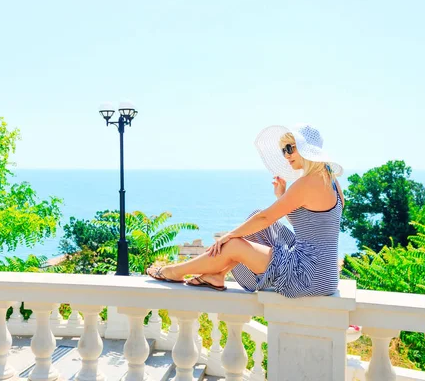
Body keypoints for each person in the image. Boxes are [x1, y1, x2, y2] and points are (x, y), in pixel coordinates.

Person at [146, 123, 345, 298]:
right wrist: (281, 196)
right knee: (254, 223)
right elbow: (313, 225)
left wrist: (229, 236)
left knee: (233, 245)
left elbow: (266, 217)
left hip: (307, 274)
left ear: (304, 149)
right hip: (325, 274)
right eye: (283, 150)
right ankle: (217, 275)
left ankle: (175, 271)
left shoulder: (306, 183)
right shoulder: (330, 180)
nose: (286, 156)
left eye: (289, 148)